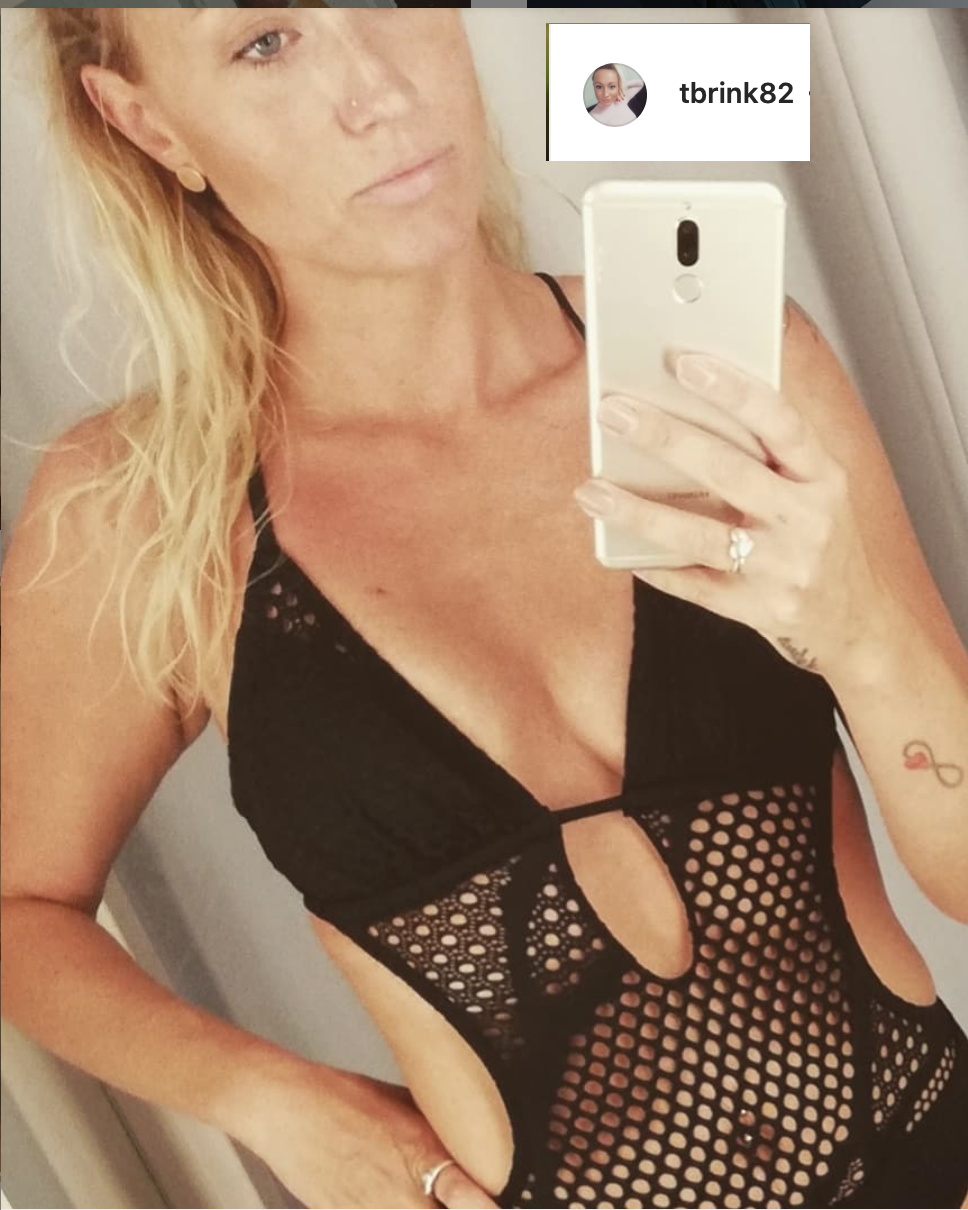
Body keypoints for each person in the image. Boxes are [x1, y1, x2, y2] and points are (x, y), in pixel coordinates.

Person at [2, 9, 967, 1210]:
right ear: (148, 122)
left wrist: (860, 634)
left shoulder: (727, 375)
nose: (377, 87)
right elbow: (18, 909)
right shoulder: (145, 505)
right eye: (265, 42)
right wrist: (285, 1106)